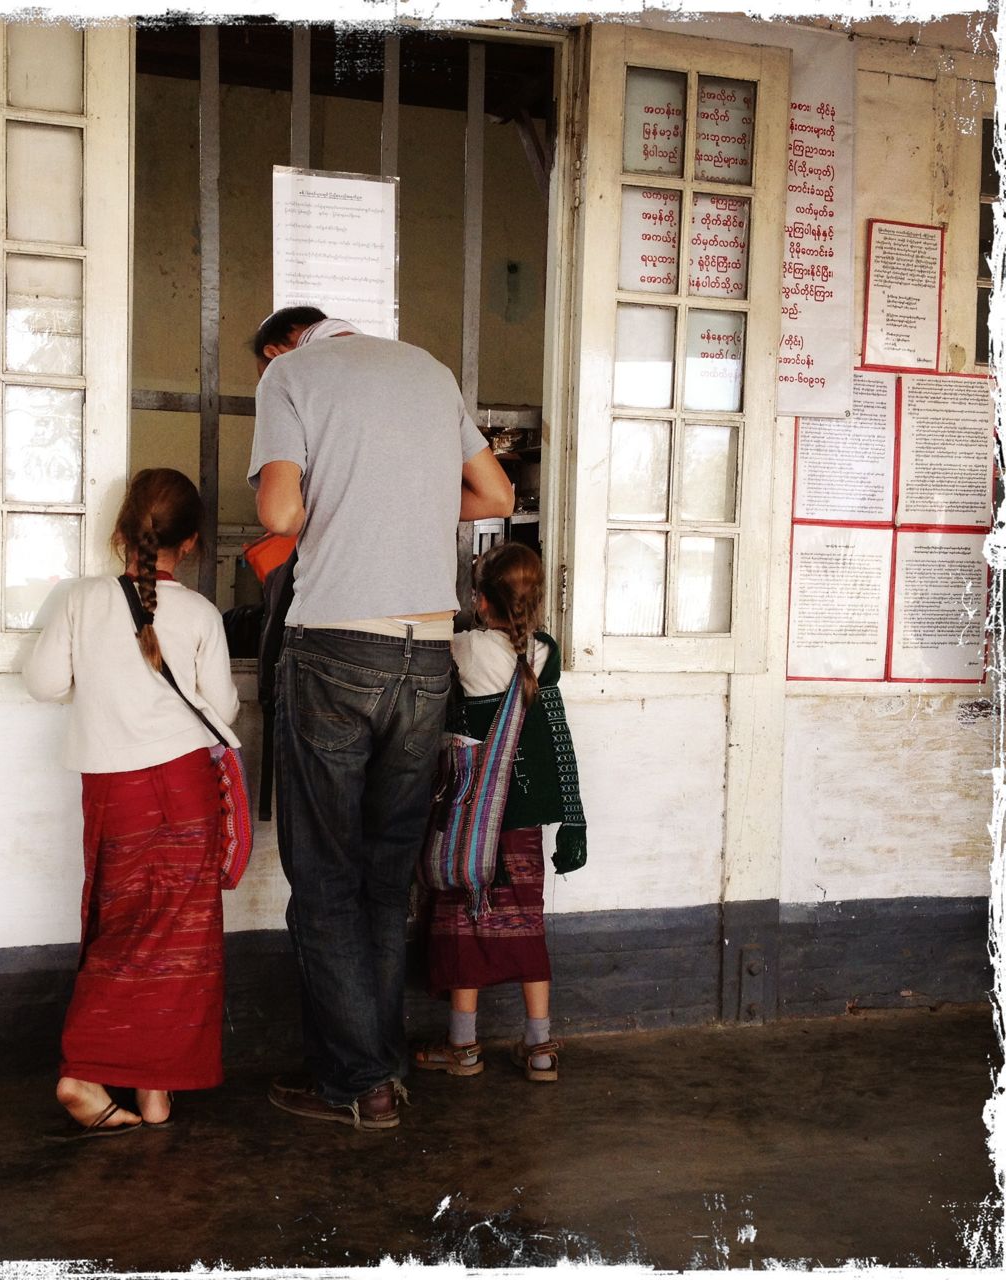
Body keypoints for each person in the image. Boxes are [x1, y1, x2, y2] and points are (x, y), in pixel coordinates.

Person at [248, 305, 515, 1130]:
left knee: (325, 878)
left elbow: (279, 516)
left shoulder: (288, 375)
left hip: (335, 648)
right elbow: (497, 493)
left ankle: (357, 1084)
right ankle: (383, 1069)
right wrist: (408, 502)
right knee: (383, 878)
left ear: (284, 344)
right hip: (425, 653)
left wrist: (334, 497)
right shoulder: (430, 372)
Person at [23, 468, 241, 1137]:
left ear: (121, 532)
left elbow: (43, 682)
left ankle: (144, 1092)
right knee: (180, 942)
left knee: (123, 932)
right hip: (186, 790)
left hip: (116, 794)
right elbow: (224, 708)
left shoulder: (80, 599)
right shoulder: (200, 614)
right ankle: (109, 1080)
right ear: (191, 543)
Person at [413, 541, 587, 1084]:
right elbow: (558, 735)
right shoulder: (544, 651)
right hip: (525, 821)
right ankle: (540, 1048)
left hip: (470, 818)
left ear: (481, 601)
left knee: (464, 922)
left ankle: (463, 1047)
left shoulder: (463, 648)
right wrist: (573, 818)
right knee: (527, 924)